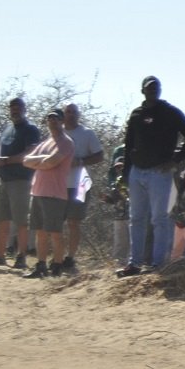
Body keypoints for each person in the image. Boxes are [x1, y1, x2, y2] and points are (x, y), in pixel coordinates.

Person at [119, 76, 185, 277]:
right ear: (142, 91)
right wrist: (125, 174)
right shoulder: (136, 115)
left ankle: (158, 264)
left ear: (160, 90)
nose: (153, 91)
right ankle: (134, 264)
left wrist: (177, 159)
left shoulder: (170, 112)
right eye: (149, 88)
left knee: (159, 219)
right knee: (136, 218)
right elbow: (129, 145)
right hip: (137, 172)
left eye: (156, 88)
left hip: (159, 173)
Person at [21, 107, 75, 278]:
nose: (53, 121)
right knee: (40, 232)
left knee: (55, 233)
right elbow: (25, 160)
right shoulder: (45, 143)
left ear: (62, 121)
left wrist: (40, 162)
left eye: (57, 118)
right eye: (50, 118)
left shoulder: (66, 142)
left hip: (55, 194)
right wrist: (42, 161)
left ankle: (57, 266)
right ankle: (41, 265)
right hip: (37, 191)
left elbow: (53, 161)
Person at [0, 97, 41, 270]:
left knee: (21, 221)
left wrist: (6, 160)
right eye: (12, 108)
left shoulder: (30, 129)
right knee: (2, 219)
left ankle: (21, 257)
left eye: (18, 107)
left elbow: (30, 153)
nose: (15, 110)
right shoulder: (7, 129)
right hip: (3, 179)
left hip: (21, 180)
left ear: (25, 109)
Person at [60, 103, 104, 272]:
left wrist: (80, 161)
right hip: (59, 184)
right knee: (57, 223)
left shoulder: (87, 133)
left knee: (73, 222)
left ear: (78, 115)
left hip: (80, 184)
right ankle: (58, 256)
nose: (70, 115)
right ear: (63, 115)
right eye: (67, 112)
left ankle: (70, 257)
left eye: (73, 112)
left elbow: (99, 155)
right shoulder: (57, 133)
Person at [101, 158, 131, 268]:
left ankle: (131, 260)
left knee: (132, 238)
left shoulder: (132, 181)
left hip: (130, 215)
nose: (119, 169)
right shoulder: (114, 184)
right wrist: (107, 199)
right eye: (117, 167)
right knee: (119, 240)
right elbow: (114, 200)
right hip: (118, 216)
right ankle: (119, 262)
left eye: (121, 167)